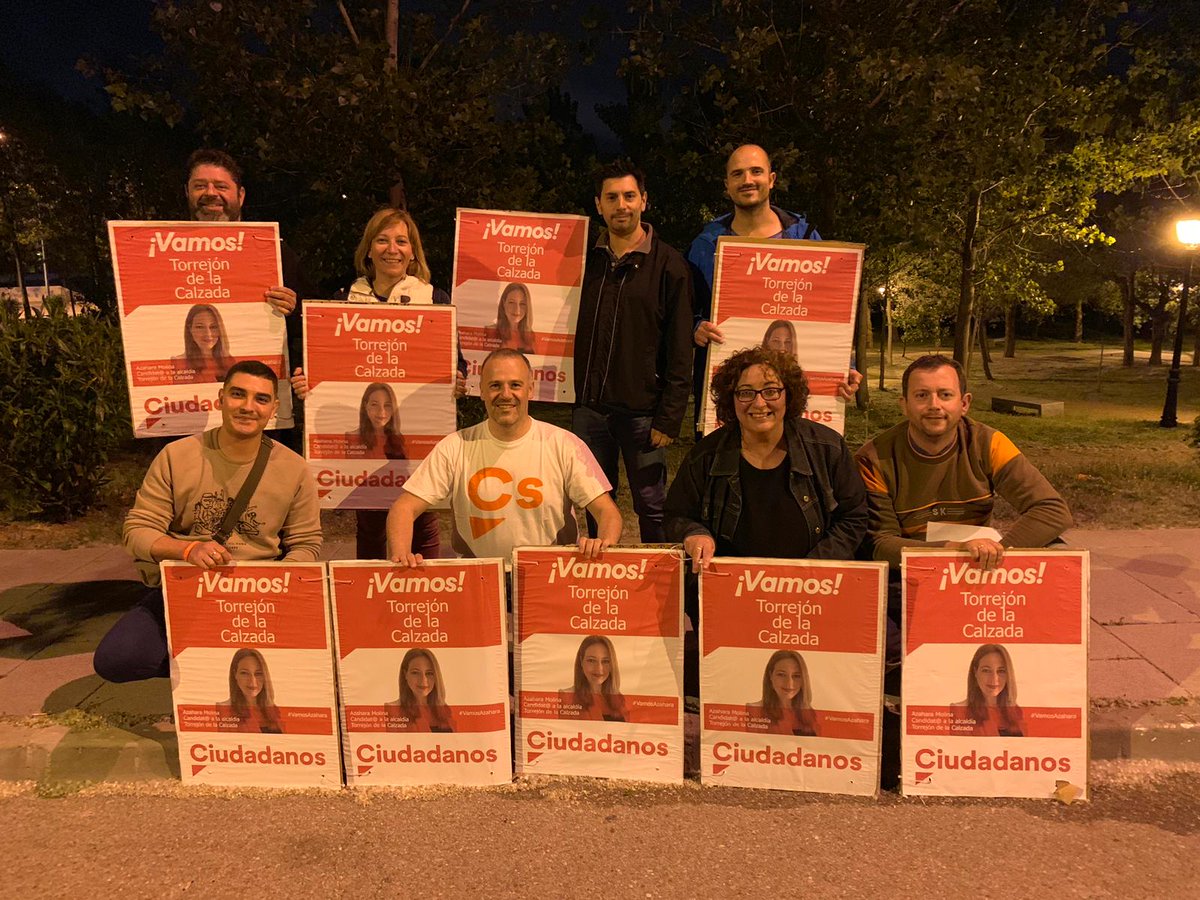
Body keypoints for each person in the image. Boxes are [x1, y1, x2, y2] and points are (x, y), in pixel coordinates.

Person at [92, 360, 322, 683]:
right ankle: (202, 671)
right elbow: (137, 531)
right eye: (238, 394)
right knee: (117, 659)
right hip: (189, 586)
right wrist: (187, 551)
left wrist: (278, 584)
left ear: (274, 408)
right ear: (220, 398)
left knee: (315, 663)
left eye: (261, 399)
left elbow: (306, 543)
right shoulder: (177, 456)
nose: (247, 407)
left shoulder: (294, 469)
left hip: (261, 594)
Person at [291, 207, 467, 560]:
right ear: (368, 249)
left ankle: (428, 591)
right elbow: (323, 365)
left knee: (423, 517)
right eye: (382, 240)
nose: (392, 249)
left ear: (413, 251)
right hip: (364, 438)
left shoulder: (436, 300)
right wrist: (307, 383)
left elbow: (456, 363)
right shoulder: (342, 301)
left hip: (416, 432)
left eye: (401, 241)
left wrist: (458, 380)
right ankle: (369, 598)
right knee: (369, 520)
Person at [387, 349, 622, 566]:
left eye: (515, 385)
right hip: (481, 577)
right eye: (495, 385)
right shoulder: (455, 446)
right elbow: (404, 507)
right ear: (481, 391)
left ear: (530, 389)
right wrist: (400, 556)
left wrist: (603, 546)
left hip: (550, 576)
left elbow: (606, 511)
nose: (505, 394)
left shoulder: (564, 444)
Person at [686, 144, 861, 432]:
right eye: (738, 174)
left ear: (772, 179)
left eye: (756, 171)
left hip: (794, 403)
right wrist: (696, 328)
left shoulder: (806, 239)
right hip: (728, 401)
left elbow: (827, 310)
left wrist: (846, 365)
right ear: (727, 185)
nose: (748, 180)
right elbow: (683, 311)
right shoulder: (706, 246)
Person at [855, 354, 1072, 573]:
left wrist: (997, 553)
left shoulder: (989, 443)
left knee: (1059, 551)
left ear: (964, 403)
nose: (934, 405)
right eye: (922, 395)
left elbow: (1052, 510)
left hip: (976, 565)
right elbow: (881, 544)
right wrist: (952, 551)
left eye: (945, 395)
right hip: (911, 568)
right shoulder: (873, 458)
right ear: (905, 404)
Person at [665, 346, 868, 573]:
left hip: (812, 585)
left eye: (770, 391)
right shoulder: (705, 456)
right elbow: (676, 515)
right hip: (730, 585)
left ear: (787, 394)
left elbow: (854, 517)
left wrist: (812, 568)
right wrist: (695, 534)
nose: (759, 403)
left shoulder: (827, 448)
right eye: (745, 392)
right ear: (730, 399)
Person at [574, 160, 694, 543]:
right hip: (590, 410)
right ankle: (602, 584)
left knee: (652, 506)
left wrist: (669, 417)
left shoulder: (670, 265)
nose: (620, 204)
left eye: (629, 195)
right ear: (598, 204)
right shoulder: (582, 261)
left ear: (644, 200)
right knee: (596, 503)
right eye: (611, 197)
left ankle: (658, 587)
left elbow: (680, 346)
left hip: (644, 415)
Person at [185, 149, 317, 452]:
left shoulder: (273, 251)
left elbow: (312, 329)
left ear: (240, 195)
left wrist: (294, 310)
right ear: (188, 192)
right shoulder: (160, 252)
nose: (210, 194)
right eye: (200, 186)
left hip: (261, 418)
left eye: (221, 186)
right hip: (189, 417)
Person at [951, 644, 1025, 737]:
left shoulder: (1016, 711)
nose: (994, 679)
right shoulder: (959, 711)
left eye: (1001, 671)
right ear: (975, 672)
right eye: (986, 670)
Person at [747, 650, 817, 737]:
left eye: (796, 676)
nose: (789, 683)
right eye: (781, 675)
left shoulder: (811, 713)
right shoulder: (754, 711)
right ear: (770, 676)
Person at [385, 648, 455, 733]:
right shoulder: (393, 709)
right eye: (415, 673)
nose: (423, 680)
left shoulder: (444, 709)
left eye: (429, 673)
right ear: (405, 674)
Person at [558, 635, 627, 722]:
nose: (599, 669)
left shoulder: (619, 698)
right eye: (591, 660)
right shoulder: (567, 696)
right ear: (581, 662)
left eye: (605, 661)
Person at [217, 648, 283, 734]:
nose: (252, 681)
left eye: (258, 674)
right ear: (235, 674)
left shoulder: (273, 710)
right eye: (244, 673)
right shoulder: (222, 710)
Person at [173, 304, 233, 383]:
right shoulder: (179, 363)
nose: (208, 334)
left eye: (213, 327)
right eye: (200, 327)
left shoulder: (229, 361)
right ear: (190, 329)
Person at [348, 382, 406, 460]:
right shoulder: (351, 438)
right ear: (366, 406)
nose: (381, 412)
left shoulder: (401, 440)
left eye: (387, 405)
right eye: (374, 405)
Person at [486, 282, 536, 353]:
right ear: (504, 303)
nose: (517, 310)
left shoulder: (530, 335)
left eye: (522, 304)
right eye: (511, 303)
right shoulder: (490, 331)